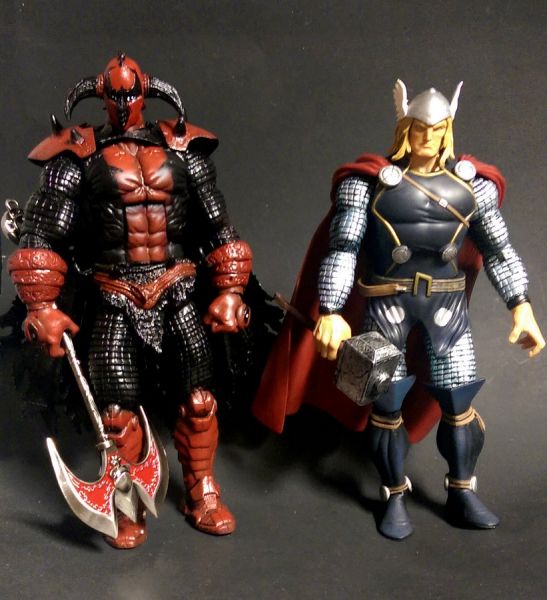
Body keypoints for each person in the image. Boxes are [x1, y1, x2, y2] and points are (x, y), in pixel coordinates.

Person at [253, 80, 544, 540]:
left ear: (448, 129)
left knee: (459, 399)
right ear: (404, 127)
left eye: (436, 129)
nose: (427, 137)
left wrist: (520, 306)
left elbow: (499, 249)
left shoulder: (474, 186)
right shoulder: (367, 183)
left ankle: (462, 490)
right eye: (418, 128)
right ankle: (393, 493)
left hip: (446, 307)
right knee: (386, 402)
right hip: (387, 303)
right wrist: (331, 309)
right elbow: (344, 247)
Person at [8, 54, 253, 549]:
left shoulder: (183, 148)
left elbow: (217, 227)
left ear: (147, 91)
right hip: (113, 291)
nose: (123, 103)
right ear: (99, 94)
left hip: (178, 286)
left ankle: (202, 490)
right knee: (116, 412)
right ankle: (126, 498)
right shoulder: (75, 154)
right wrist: (41, 305)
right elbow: (43, 231)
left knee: (199, 401)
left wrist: (230, 291)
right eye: (114, 94)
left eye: (131, 92)